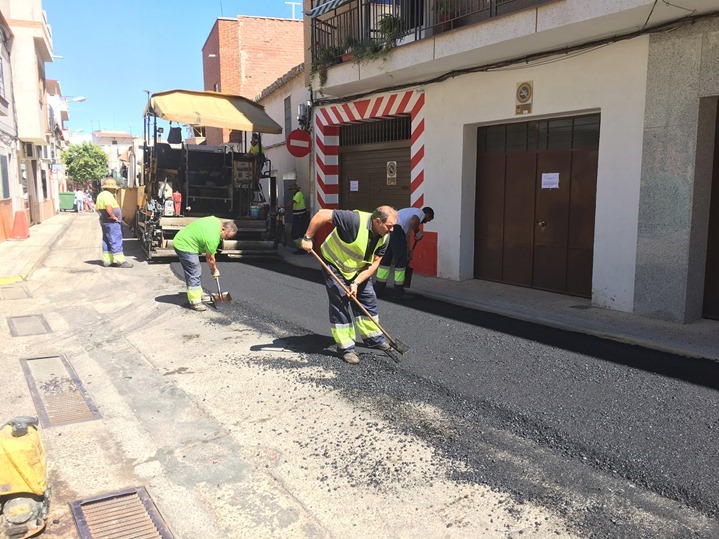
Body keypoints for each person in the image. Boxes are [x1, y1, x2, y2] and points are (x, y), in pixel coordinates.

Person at [301, 206, 398, 364]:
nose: (392, 230)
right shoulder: (353, 220)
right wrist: (307, 237)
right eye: (389, 226)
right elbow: (322, 214)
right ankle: (346, 347)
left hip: (357, 269)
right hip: (334, 263)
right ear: (377, 221)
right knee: (340, 302)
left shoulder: (384, 236)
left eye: (394, 225)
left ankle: (374, 338)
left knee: (368, 299)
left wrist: (356, 282)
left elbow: (374, 264)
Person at [173, 216, 238, 312]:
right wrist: (214, 270)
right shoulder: (213, 239)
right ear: (223, 229)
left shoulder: (215, 220)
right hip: (184, 245)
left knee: (195, 270)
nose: (226, 239)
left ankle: (198, 295)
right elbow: (210, 259)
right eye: (227, 236)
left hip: (185, 239)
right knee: (194, 271)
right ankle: (195, 302)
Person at [375, 206, 434, 300]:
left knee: (385, 262)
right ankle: (399, 292)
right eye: (428, 220)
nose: (425, 222)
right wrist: (417, 233)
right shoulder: (420, 213)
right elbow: (414, 222)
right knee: (400, 263)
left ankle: (378, 290)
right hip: (397, 231)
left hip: (388, 229)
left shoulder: (409, 211)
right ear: (427, 214)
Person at [95, 178, 133, 268]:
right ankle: (121, 261)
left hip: (105, 222)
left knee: (107, 240)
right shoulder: (108, 195)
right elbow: (108, 206)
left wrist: (102, 218)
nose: (115, 189)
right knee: (116, 239)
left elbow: (97, 209)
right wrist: (113, 216)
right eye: (114, 188)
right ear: (110, 188)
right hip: (111, 222)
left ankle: (107, 261)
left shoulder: (100, 195)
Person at [284, 183, 309, 254]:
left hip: (300, 216)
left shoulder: (298, 194)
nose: (291, 191)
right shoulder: (296, 194)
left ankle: (301, 248)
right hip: (298, 215)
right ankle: (300, 248)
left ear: (295, 189)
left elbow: (293, 201)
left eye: (292, 189)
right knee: (298, 233)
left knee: (296, 233)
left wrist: (285, 206)